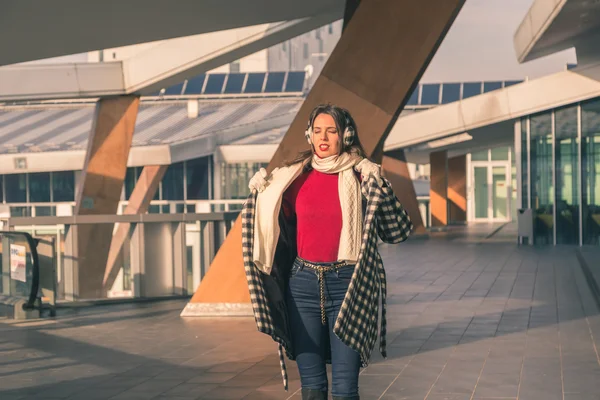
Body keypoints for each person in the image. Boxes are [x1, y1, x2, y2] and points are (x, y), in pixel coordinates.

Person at [242, 104, 413, 400]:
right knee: (312, 388)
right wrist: (260, 194)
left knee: (345, 390)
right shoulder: (292, 179)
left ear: (345, 136)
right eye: (317, 131)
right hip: (302, 286)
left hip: (348, 285)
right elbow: (268, 226)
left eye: (331, 131)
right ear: (309, 135)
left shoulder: (361, 177)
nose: (323, 138)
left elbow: (397, 230)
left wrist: (380, 184)